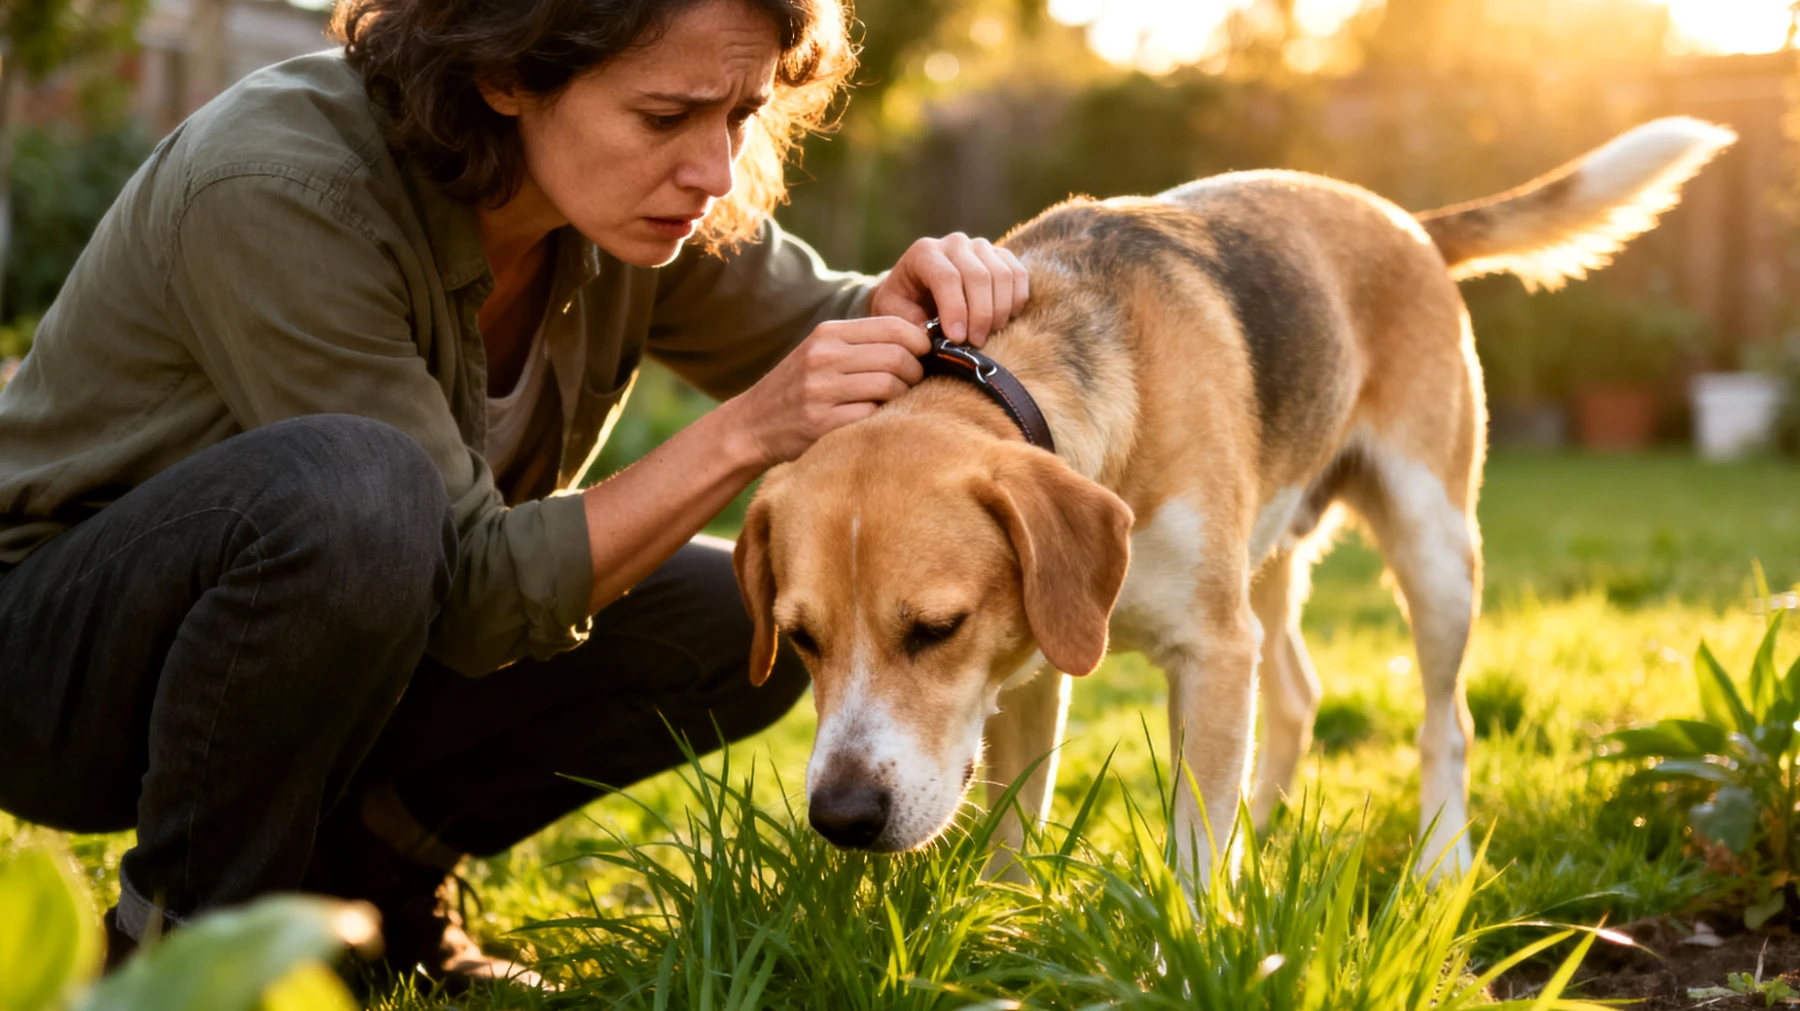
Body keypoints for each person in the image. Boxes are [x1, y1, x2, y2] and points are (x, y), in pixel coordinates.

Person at [0, 0, 1029, 988]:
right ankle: (178, 960)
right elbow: (470, 593)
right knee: (360, 491)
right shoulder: (278, 184)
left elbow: (827, 330)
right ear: (503, 72)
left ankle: (372, 889)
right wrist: (749, 431)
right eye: (666, 115)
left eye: (741, 113)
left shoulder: (638, 201)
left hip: (339, 664)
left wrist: (921, 297)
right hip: (57, 673)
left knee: (741, 617)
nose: (713, 169)